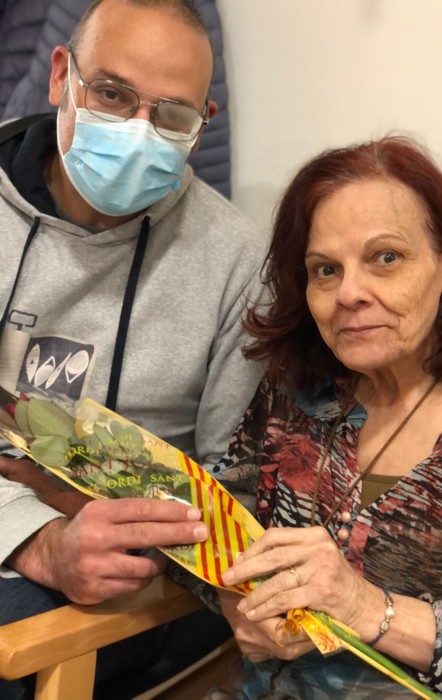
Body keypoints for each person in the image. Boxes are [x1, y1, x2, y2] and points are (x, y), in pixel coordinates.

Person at [0, 0, 267, 698]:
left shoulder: (239, 263)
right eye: (113, 94)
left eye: (171, 115)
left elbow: (233, 497)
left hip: (128, 575)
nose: (137, 131)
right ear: (60, 75)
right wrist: (34, 538)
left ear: (202, 124)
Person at [207, 136, 442, 699]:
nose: (349, 293)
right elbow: (222, 523)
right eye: (325, 269)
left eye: (386, 258)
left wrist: (364, 607)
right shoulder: (297, 389)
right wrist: (238, 604)